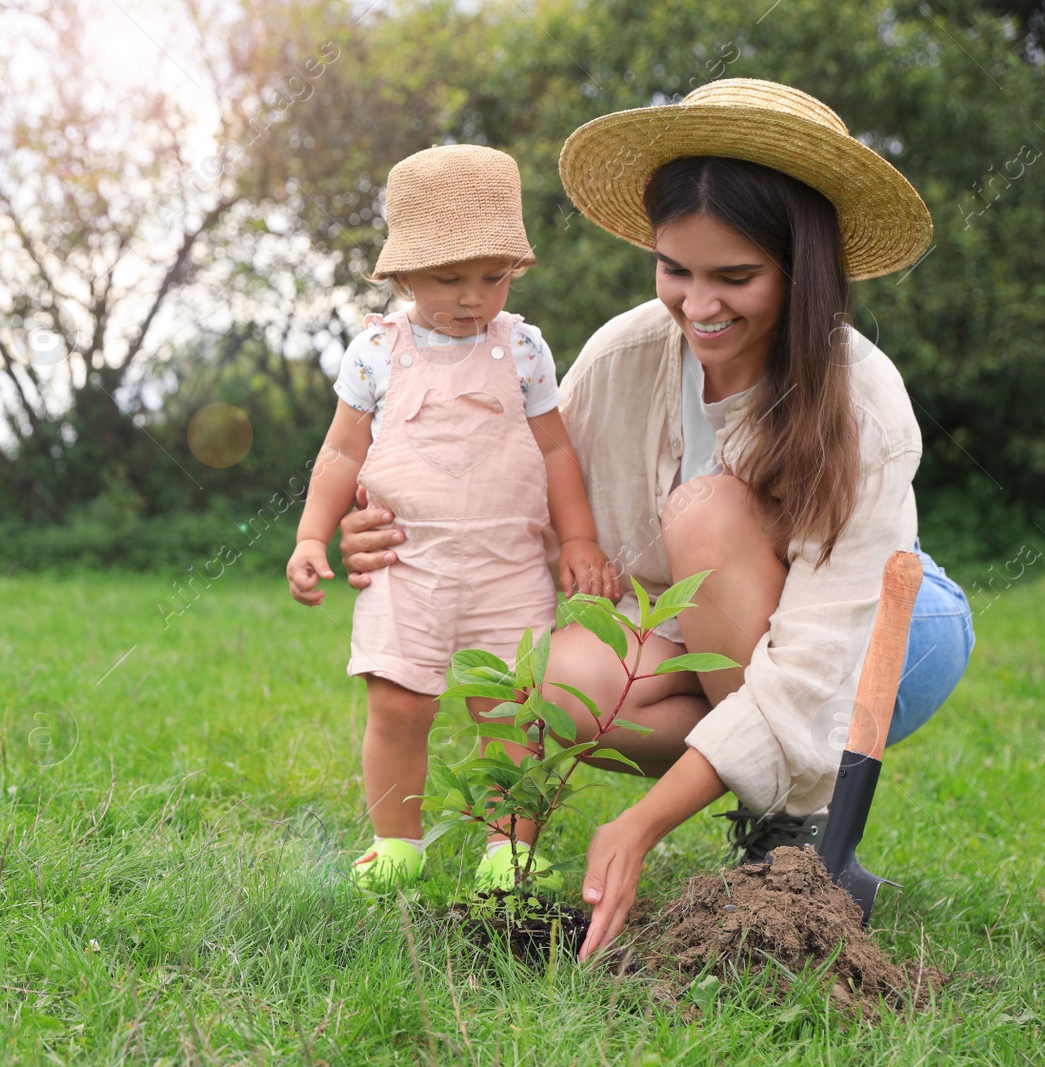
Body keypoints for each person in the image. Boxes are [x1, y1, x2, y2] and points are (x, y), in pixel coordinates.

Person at [333, 80, 974, 957]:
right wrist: (382, 523)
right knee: (548, 686)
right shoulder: (624, 356)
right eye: (676, 270)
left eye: (736, 277)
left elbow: (814, 660)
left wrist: (639, 824)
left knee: (703, 512)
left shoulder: (864, 399)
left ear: (803, 265)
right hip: (705, 632)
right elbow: (525, 501)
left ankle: (791, 826)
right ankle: (770, 792)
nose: (699, 306)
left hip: (887, 628)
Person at [285, 143, 621, 892]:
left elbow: (556, 449)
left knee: (513, 713)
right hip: (407, 566)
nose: (474, 296)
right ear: (403, 273)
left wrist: (579, 538)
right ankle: (396, 845)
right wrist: (313, 534)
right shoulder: (377, 351)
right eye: (449, 278)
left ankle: (508, 851)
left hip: (507, 568)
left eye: (493, 276)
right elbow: (341, 451)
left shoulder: (524, 349)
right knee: (398, 709)